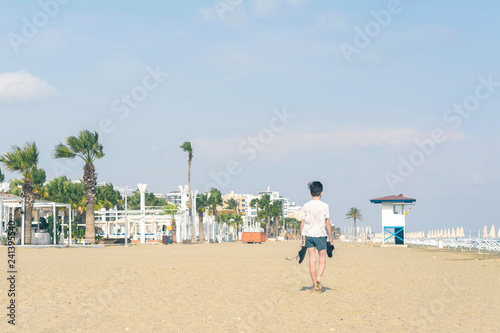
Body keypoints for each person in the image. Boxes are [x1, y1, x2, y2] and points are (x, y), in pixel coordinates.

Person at [300, 181, 332, 292]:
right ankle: (319, 278)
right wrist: (330, 238)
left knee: (312, 260)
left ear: (310, 193)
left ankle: (315, 285)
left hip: (309, 235)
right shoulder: (325, 206)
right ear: (321, 193)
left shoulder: (306, 206)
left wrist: (301, 238)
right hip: (321, 235)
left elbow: (302, 223)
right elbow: (327, 223)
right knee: (322, 260)